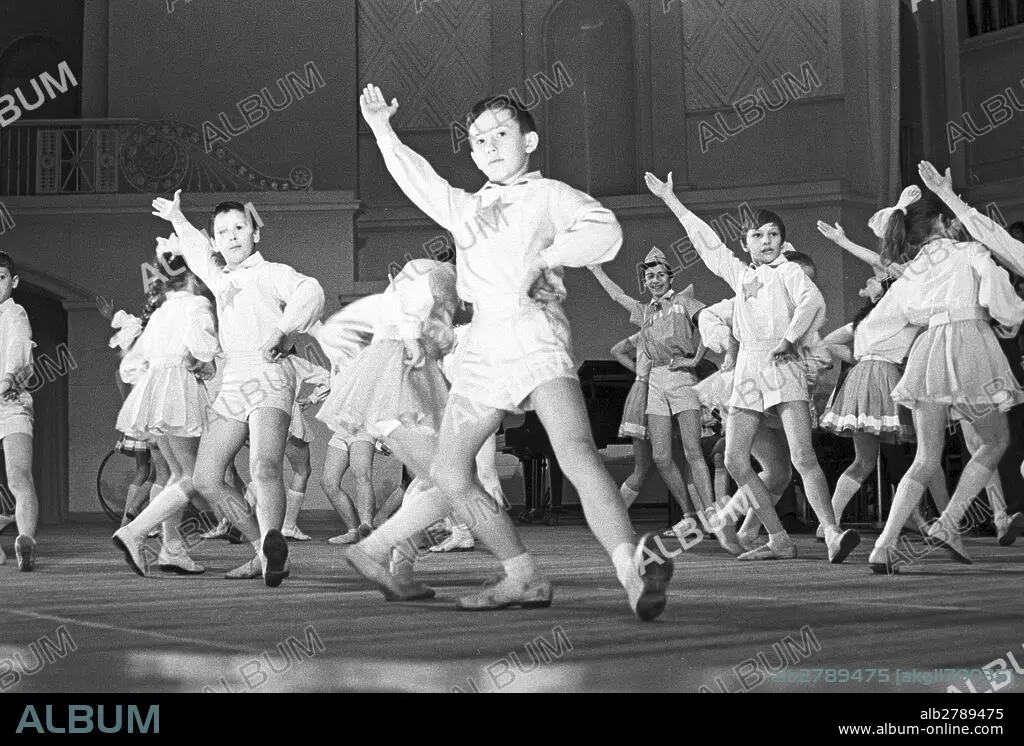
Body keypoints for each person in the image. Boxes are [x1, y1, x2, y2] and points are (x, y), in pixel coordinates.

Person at [351, 86, 674, 620]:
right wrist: (384, 130)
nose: (490, 145)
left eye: (501, 134)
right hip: (483, 347)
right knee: (452, 475)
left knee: (575, 452)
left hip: (533, 331)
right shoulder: (466, 206)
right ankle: (521, 574)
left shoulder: (548, 193)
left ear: (529, 139)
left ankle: (631, 572)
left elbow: (605, 229)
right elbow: (419, 179)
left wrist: (549, 254)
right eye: (479, 140)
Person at [646, 170, 860, 564]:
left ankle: (831, 533)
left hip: (782, 364)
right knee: (734, 460)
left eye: (773, 235)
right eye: (758, 236)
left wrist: (789, 339)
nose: (766, 241)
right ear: (746, 243)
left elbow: (812, 303)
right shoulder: (741, 274)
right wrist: (671, 201)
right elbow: (707, 244)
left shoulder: (791, 271)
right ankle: (777, 538)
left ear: (782, 240)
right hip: (748, 367)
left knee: (801, 456)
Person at [150, 193, 325, 586]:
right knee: (208, 477)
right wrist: (178, 218)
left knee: (263, 466)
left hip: (269, 373)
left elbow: (311, 290)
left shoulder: (272, 272)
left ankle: (274, 542)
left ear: (255, 233)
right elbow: (195, 254)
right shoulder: (218, 276)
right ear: (215, 241)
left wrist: (283, 331)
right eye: (222, 232)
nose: (231, 237)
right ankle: (264, 549)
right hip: (233, 379)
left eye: (240, 228)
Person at [867, 163, 1024, 573]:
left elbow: (880, 324)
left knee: (926, 457)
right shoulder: (969, 250)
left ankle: (884, 545)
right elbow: (998, 295)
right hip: (970, 343)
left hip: (929, 349)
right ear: (940, 222)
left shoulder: (912, 269)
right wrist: (1011, 317)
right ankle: (949, 521)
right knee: (994, 442)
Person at [111, 243, 219, 576]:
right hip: (178, 389)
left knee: (176, 474)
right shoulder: (197, 304)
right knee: (195, 476)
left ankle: (172, 549)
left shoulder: (160, 311)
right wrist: (201, 363)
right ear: (194, 275)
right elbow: (204, 348)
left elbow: (131, 365)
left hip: (156, 388)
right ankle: (134, 531)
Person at [0, 253, 41, 570]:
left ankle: (24, 539)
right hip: (11, 403)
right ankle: (19, 540)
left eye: (0, 278)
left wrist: (9, 378)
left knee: (19, 477)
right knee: (19, 478)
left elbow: (20, 347)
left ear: (13, 281)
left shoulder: (14, 313)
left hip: (10, 402)